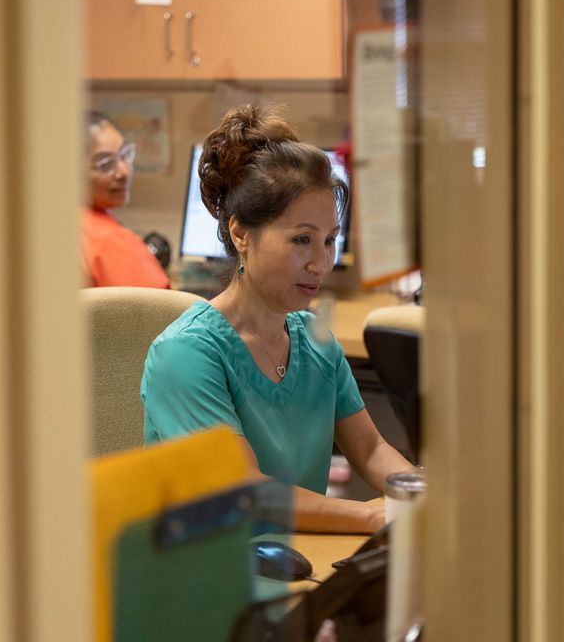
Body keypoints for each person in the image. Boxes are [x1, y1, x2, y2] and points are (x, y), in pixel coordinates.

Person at [141, 105, 414, 533]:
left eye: (329, 241)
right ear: (240, 234)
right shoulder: (186, 353)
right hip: (212, 580)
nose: (321, 263)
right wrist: (375, 516)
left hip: (298, 560)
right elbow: (245, 491)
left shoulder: (316, 338)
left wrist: (420, 493)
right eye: (301, 239)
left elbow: (371, 448)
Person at [81, 111, 171, 288]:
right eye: (105, 164)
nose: (123, 171)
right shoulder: (111, 242)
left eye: (124, 154)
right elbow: (165, 310)